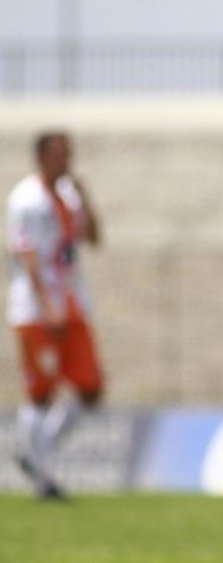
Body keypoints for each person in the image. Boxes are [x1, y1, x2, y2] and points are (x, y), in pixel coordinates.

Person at [5, 131, 104, 500]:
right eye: (61, 153)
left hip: (74, 303)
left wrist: (86, 197)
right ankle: (44, 477)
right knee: (41, 393)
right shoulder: (25, 199)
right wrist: (46, 305)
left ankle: (34, 450)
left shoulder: (70, 195)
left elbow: (94, 238)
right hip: (36, 309)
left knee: (91, 389)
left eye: (69, 153)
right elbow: (25, 253)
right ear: (41, 157)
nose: (68, 160)